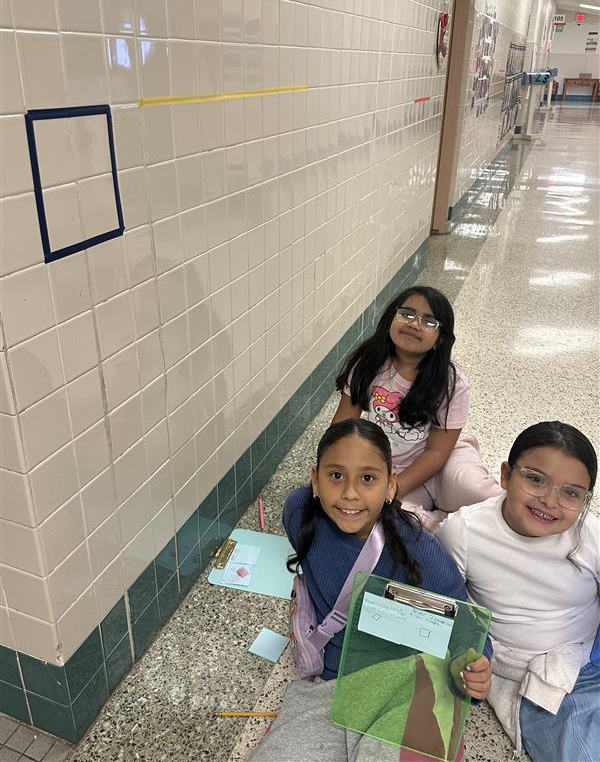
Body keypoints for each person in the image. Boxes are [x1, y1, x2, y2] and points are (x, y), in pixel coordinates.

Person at [250, 418, 491, 762]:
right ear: (314, 479)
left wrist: (474, 669)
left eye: (368, 478)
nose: (350, 493)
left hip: (408, 687)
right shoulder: (300, 511)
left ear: (391, 485)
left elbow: (467, 630)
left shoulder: (419, 552)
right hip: (331, 688)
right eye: (336, 476)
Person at [437, 421, 599, 762]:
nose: (550, 501)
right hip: (536, 675)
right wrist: (468, 659)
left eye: (571, 492)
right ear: (507, 476)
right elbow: (447, 607)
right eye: (535, 479)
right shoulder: (465, 532)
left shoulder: (591, 536)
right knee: (580, 751)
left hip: (590, 650)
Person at [333, 285, 502, 530]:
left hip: (443, 460)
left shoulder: (452, 384)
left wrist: (392, 490)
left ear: (440, 339)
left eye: (429, 321)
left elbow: (436, 453)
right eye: (407, 314)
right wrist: (335, 472)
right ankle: (451, 527)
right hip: (389, 467)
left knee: (479, 493)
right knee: (386, 519)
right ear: (390, 319)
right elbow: (341, 427)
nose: (414, 324)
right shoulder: (367, 365)